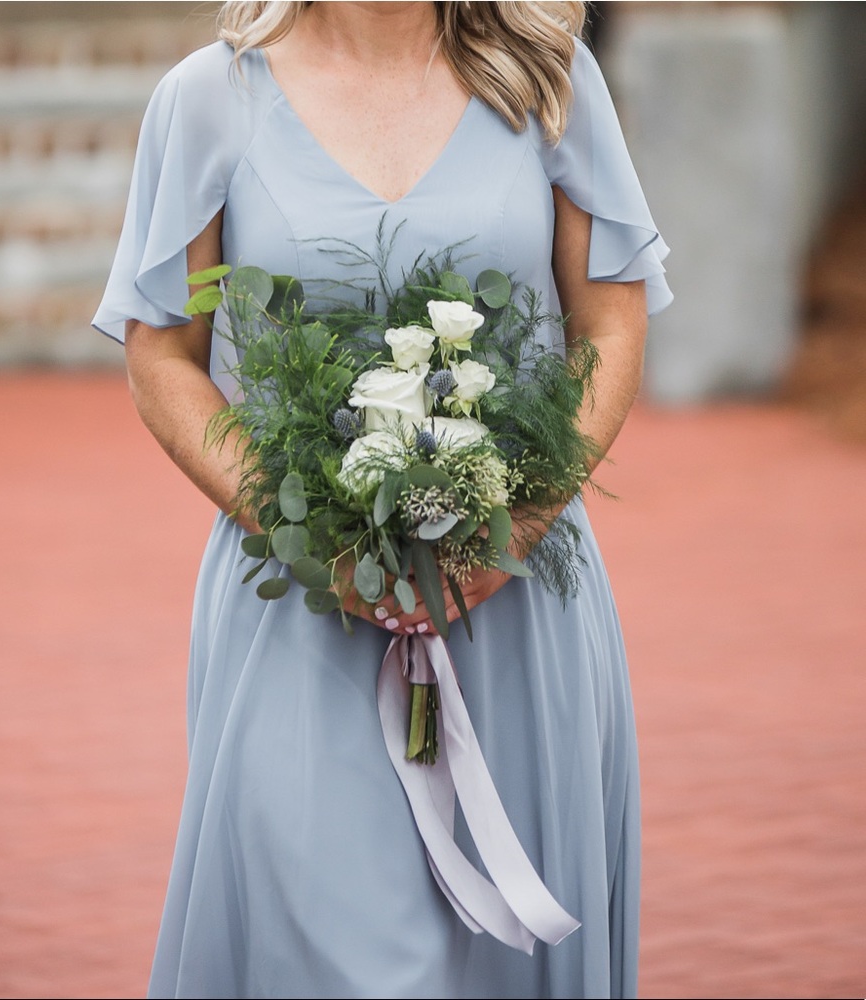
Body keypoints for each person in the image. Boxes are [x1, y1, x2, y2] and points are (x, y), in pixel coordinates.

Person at [93, 2, 671, 997]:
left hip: (517, 604)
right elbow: (164, 356)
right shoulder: (209, 101)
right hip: (299, 609)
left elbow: (609, 330)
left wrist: (515, 523)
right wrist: (301, 525)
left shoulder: (547, 81)